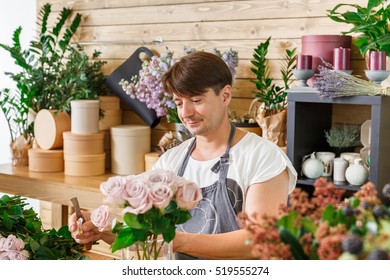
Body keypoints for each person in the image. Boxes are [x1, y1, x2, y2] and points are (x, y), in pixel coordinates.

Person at [68, 51, 297, 259]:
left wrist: (177, 241)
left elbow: (257, 240)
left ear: (225, 95)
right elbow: (147, 235)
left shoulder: (264, 157)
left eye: (196, 101)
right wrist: (100, 231)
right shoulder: (171, 161)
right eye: (179, 102)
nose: (186, 113)